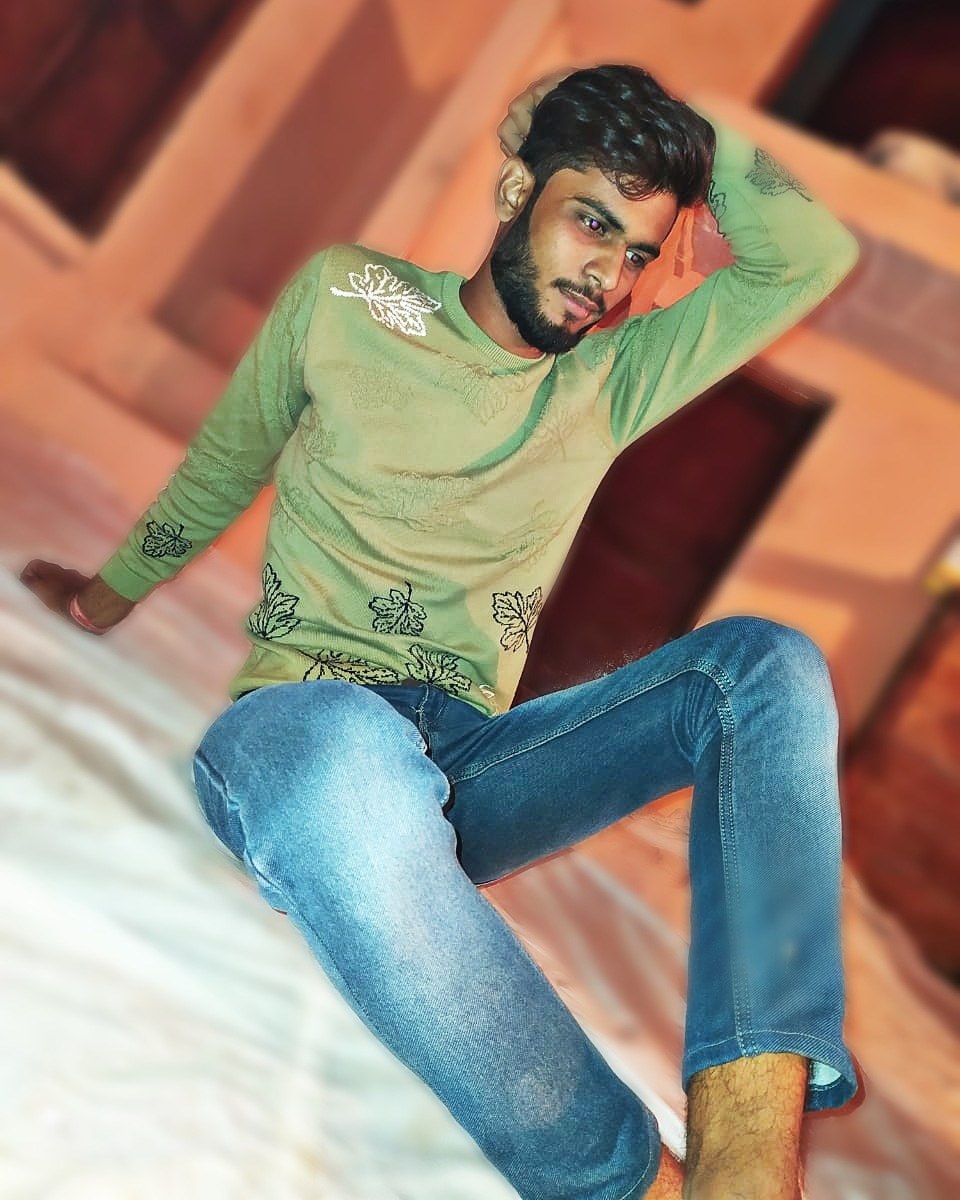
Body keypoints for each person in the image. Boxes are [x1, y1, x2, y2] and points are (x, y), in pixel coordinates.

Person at [22, 64, 862, 1200]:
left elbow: (809, 255)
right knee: (341, 757)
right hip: (313, 728)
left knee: (765, 665)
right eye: (590, 223)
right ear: (518, 190)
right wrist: (104, 597)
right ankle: (629, 1184)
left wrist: (678, 116)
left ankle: (747, 1166)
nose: (607, 277)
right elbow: (226, 461)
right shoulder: (349, 298)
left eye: (636, 254)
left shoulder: (610, 380)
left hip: (471, 767)